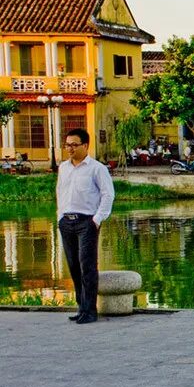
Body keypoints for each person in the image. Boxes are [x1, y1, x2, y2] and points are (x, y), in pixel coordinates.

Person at [57, 129, 115, 325]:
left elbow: (108, 195)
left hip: (86, 222)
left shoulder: (97, 168)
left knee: (87, 266)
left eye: (74, 145)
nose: (70, 148)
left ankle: (90, 310)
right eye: (67, 145)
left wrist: (97, 219)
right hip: (67, 222)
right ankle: (81, 306)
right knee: (73, 265)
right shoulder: (63, 168)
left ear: (85, 146)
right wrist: (59, 217)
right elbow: (60, 193)